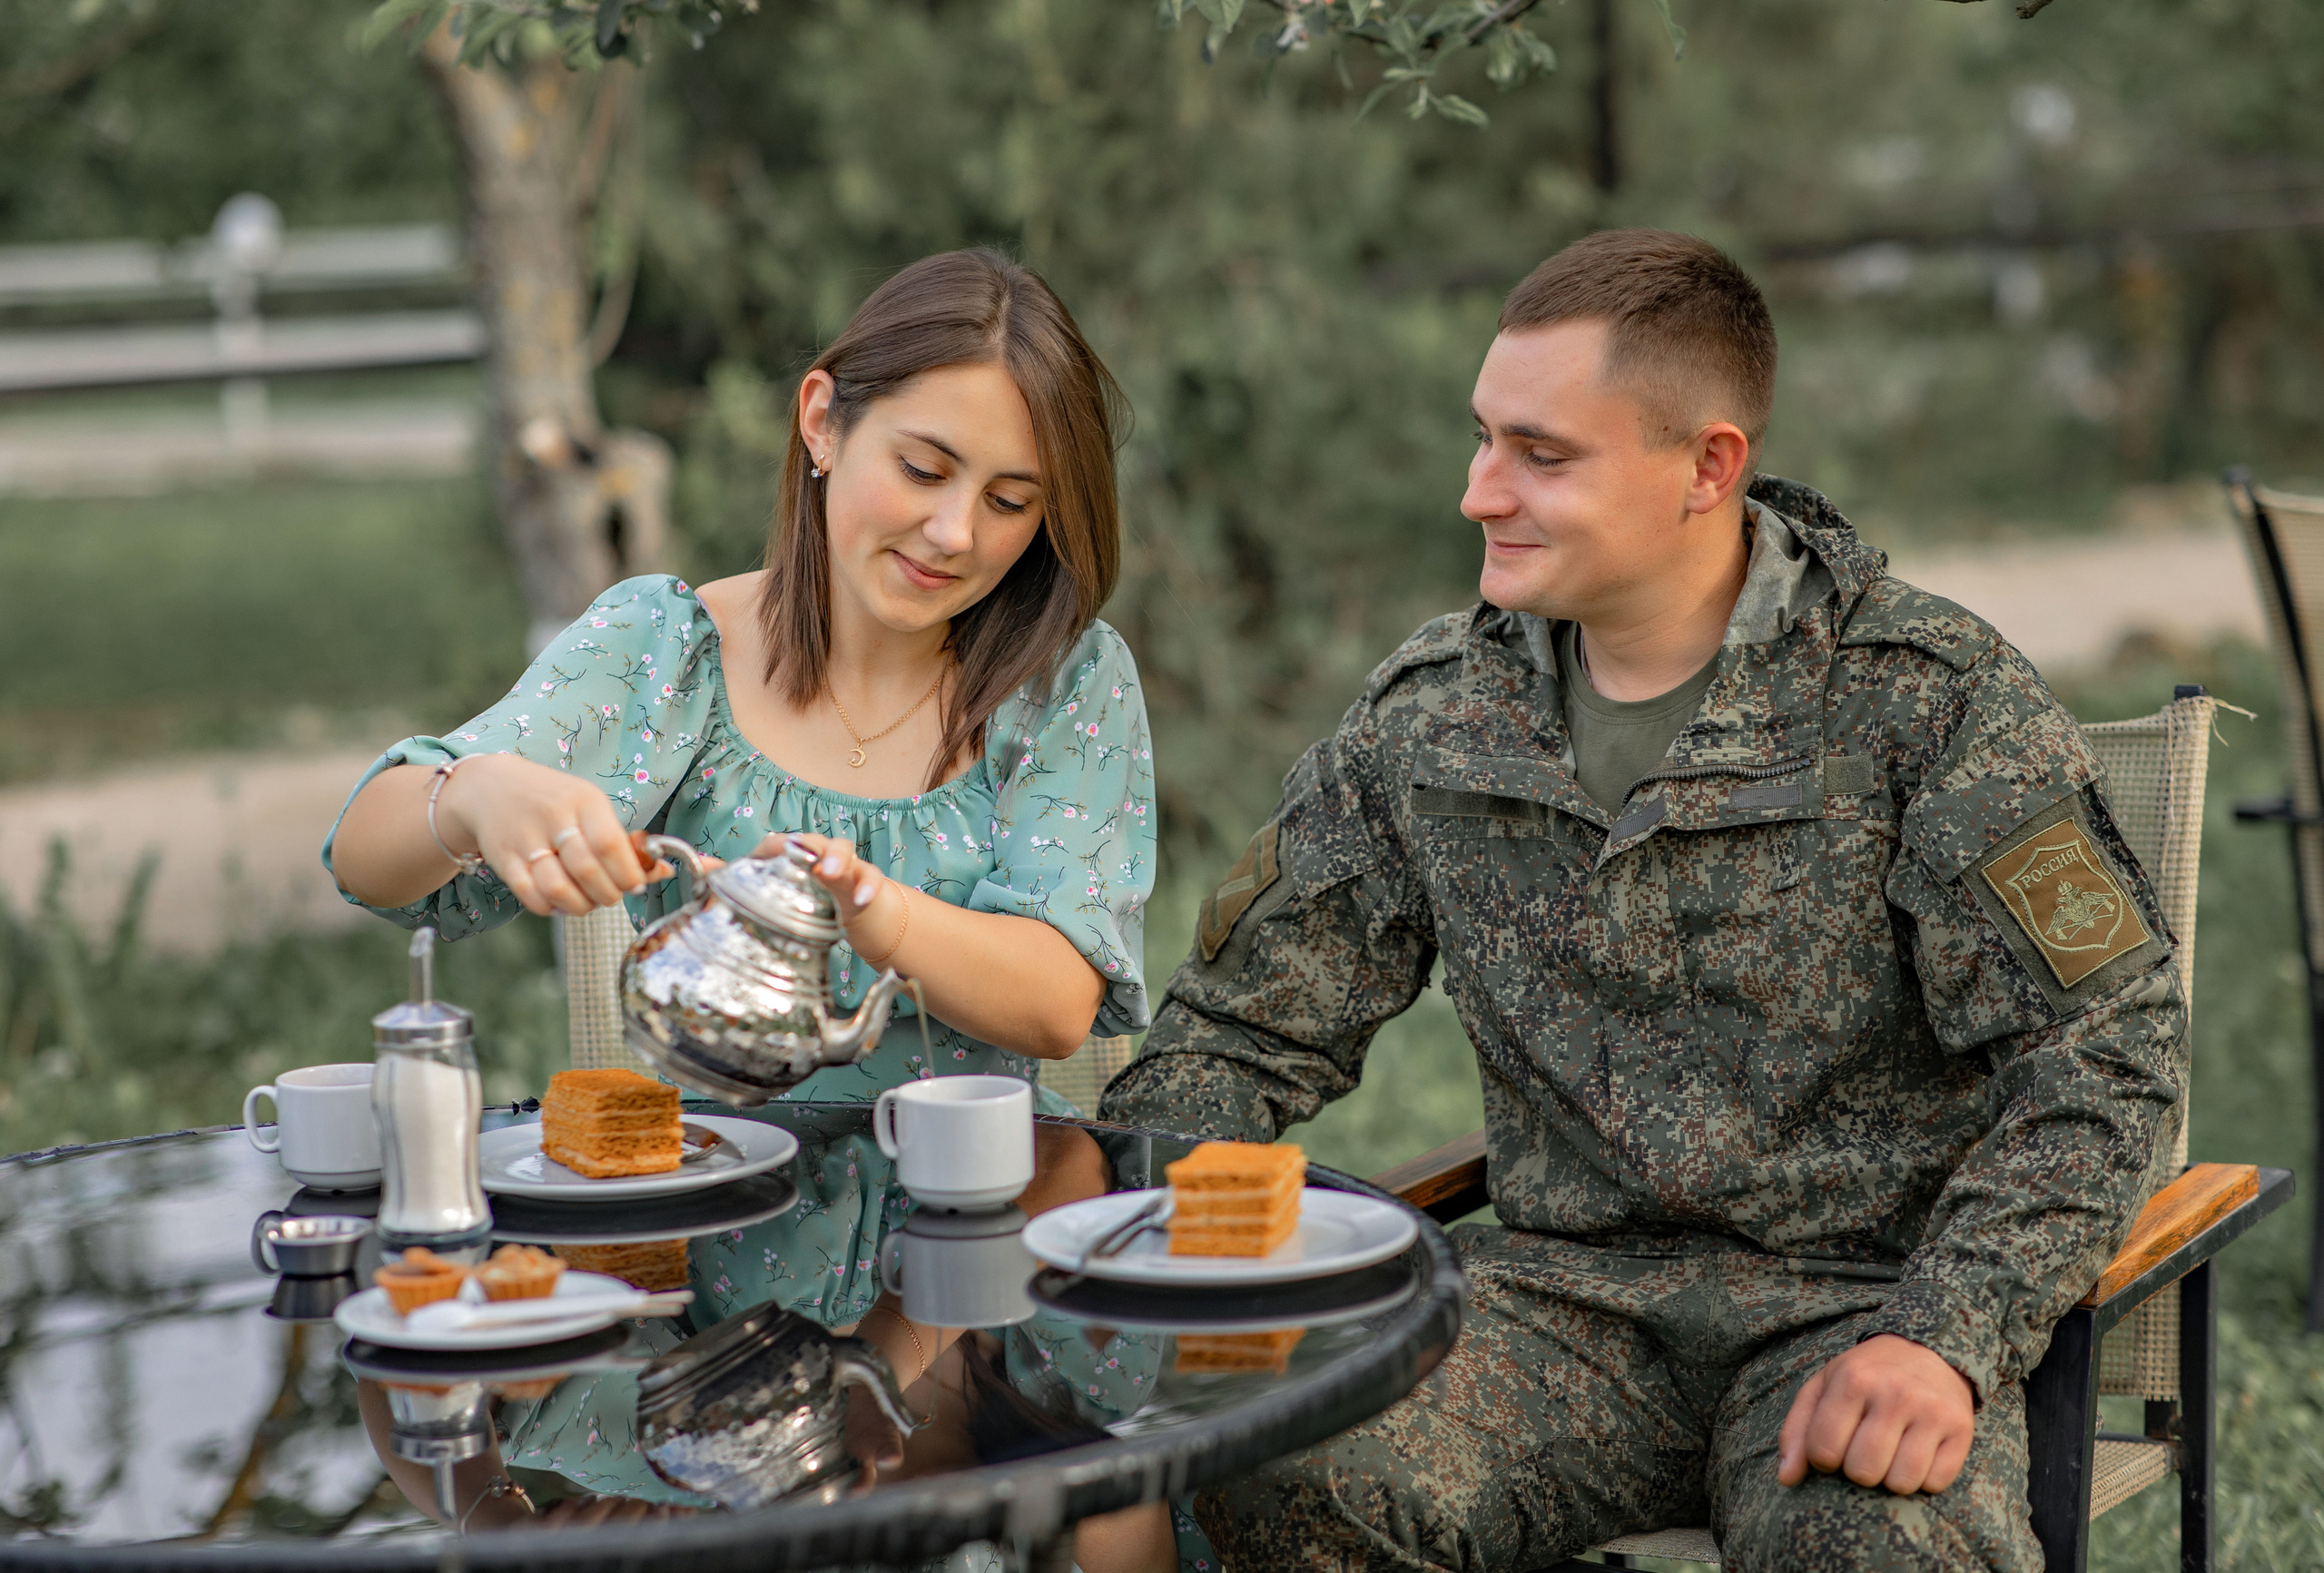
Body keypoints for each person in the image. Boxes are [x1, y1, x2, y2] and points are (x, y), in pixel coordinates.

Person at [1099, 229, 2187, 1572]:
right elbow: (1233, 1037)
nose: (1477, 493)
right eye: (1483, 438)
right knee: (1273, 1456)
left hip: (1855, 1313)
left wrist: (1947, 1335)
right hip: (1560, 1315)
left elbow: (2107, 1056)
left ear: (1707, 466)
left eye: (1540, 454)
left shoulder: (1926, 698)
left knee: (1884, 1551)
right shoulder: (1436, 716)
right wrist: (1197, 1253)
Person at [325, 250, 1160, 1509]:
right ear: (823, 419)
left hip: (952, 1273)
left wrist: (865, 901)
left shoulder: (1063, 683)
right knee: (442, 1416)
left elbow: (1053, 998)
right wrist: (472, 795)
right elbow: (367, 855)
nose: (954, 533)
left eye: (1011, 499)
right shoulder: (671, 653)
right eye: (925, 469)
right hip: (684, 1263)